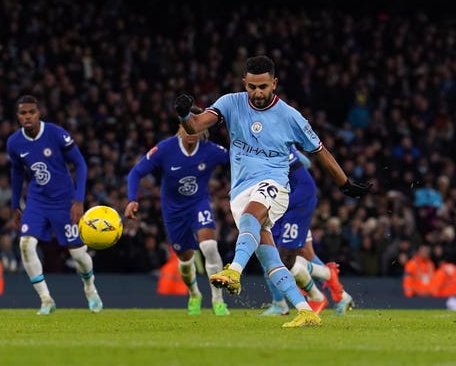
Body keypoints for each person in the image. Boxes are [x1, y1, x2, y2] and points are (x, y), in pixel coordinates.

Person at [174, 55, 371, 328]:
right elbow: (195, 126)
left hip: (274, 185)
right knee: (271, 259)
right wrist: (185, 114)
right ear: (245, 83)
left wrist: (344, 183)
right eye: (252, 86)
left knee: (250, 219)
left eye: (263, 87)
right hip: (240, 190)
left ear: (274, 84)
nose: (257, 93)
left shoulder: (290, 117)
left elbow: (319, 150)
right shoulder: (230, 103)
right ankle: (305, 312)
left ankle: (234, 270)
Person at [125, 108, 230, 316]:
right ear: (180, 127)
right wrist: (132, 200)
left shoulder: (212, 150)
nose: (191, 130)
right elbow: (136, 172)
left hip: (199, 203)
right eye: (187, 125)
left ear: (202, 129)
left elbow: (238, 162)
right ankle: (194, 294)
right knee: (185, 259)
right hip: (173, 211)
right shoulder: (165, 149)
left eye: (196, 125)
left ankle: (218, 301)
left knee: (209, 246)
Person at [7, 95, 102, 315]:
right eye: (23, 113)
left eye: (31, 112)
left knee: (78, 254)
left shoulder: (57, 134)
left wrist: (78, 200)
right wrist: (15, 205)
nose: (27, 116)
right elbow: (17, 172)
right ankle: (46, 299)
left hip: (64, 202)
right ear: (18, 116)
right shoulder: (14, 142)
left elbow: (80, 164)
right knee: (26, 244)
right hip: (36, 201)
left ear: (39, 113)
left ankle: (90, 288)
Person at [261, 145, 354, 316]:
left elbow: (303, 163)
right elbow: (306, 163)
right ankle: (340, 294)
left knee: (279, 254)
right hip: (286, 201)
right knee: (303, 253)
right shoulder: (267, 138)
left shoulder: (269, 139)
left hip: (291, 202)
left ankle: (283, 303)